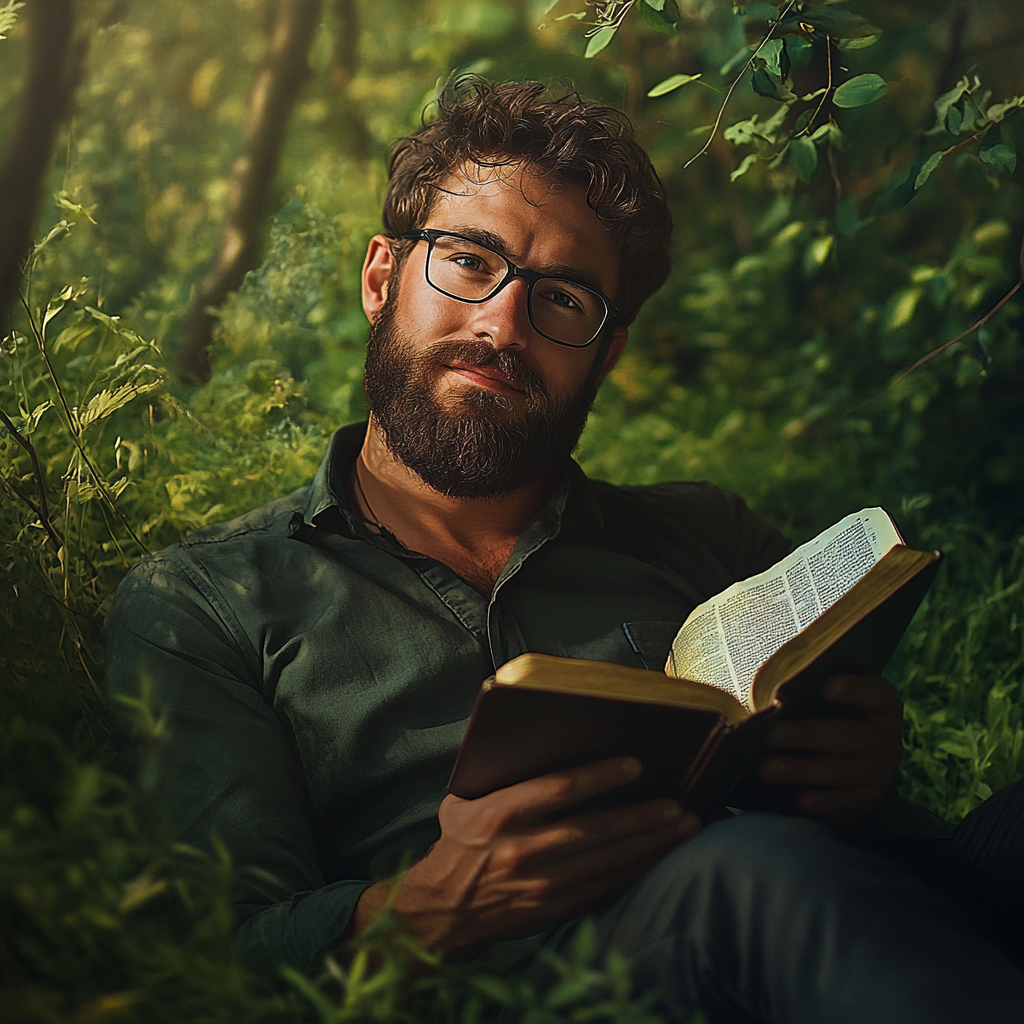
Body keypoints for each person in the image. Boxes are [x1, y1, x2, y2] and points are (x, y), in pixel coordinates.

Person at [106, 79, 1024, 1022]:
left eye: (562, 299)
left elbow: (882, 841)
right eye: (469, 262)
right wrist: (420, 914)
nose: (502, 326)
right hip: (548, 989)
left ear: (606, 351)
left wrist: (862, 783)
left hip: (846, 932)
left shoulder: (706, 534)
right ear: (382, 279)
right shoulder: (207, 602)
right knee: (753, 873)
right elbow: (219, 960)